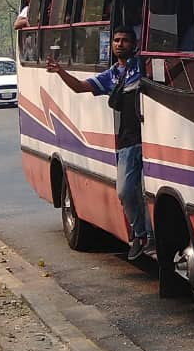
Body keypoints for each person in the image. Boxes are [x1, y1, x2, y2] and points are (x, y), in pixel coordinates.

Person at [45, 27, 151, 259]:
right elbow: (81, 87)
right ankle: (140, 234)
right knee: (125, 191)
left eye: (125, 41)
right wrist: (60, 71)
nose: (120, 44)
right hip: (128, 142)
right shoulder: (111, 75)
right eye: (116, 40)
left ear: (134, 45)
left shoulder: (143, 65)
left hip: (154, 139)